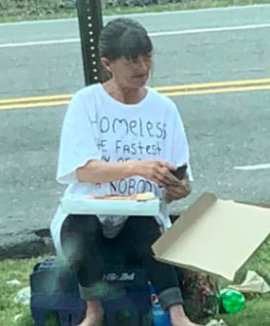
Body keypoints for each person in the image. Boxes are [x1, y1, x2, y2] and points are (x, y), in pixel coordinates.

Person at [50, 18, 202, 326]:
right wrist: (137, 167)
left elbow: (182, 180)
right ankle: (93, 311)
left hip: (139, 218)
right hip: (87, 216)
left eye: (147, 58)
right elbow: (81, 169)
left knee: (146, 224)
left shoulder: (164, 109)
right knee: (82, 226)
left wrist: (178, 188)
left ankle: (177, 314)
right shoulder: (86, 103)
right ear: (108, 63)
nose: (142, 67)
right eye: (132, 61)